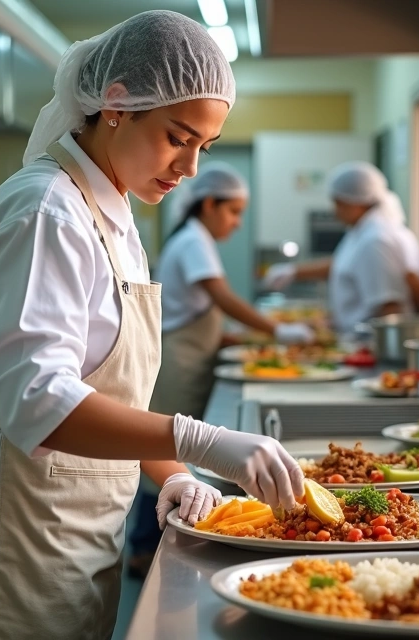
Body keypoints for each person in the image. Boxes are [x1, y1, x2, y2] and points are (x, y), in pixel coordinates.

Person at [0, 11, 303, 640]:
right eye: (177, 137)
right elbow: (38, 400)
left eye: (204, 146)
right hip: (11, 532)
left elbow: (106, 391)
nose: (190, 168)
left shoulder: (112, 213)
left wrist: (172, 474)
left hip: (74, 530)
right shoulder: (46, 211)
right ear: (117, 105)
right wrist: (199, 441)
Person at [125, 164, 315, 576]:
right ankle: (145, 546)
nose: (237, 222)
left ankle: (152, 541)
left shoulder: (195, 239)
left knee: (168, 451)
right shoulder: (194, 240)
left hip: (189, 355)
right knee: (160, 450)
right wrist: (279, 331)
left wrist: (242, 338)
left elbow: (204, 309)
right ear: (208, 204)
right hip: (179, 361)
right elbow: (223, 298)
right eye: (233, 211)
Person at [262, 161, 419, 333]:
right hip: (355, 336)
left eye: (339, 204)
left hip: (365, 344)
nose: (335, 211)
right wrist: (295, 272)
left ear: (357, 202)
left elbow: (389, 308)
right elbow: (344, 263)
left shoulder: (376, 240)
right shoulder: (364, 231)